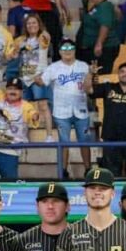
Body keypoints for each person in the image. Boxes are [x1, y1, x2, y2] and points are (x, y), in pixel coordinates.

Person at [36, 39, 92, 170]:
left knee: (84, 141)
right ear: (60, 51)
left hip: (81, 110)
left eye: (70, 48)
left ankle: (88, 170)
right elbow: (41, 82)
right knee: (63, 142)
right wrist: (36, 78)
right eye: (64, 49)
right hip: (61, 112)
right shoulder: (53, 67)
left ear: (75, 49)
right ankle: (63, 171)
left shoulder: (83, 66)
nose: (68, 51)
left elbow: (89, 87)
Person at [0, 76, 42, 180]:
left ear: (21, 92)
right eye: (10, 89)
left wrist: (35, 116)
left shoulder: (26, 106)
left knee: (9, 185)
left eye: (16, 89)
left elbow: (33, 114)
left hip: (9, 153)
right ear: (6, 90)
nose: (13, 91)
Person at [15, 13, 53, 140]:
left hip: (38, 77)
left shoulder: (43, 37)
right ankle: (23, 135)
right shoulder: (21, 40)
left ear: (39, 24)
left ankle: (49, 136)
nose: (31, 25)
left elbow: (47, 37)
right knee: (24, 107)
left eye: (34, 22)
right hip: (24, 78)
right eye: (29, 23)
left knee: (43, 106)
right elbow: (13, 54)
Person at [78, 0, 120, 72]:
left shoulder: (105, 6)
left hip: (105, 48)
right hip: (91, 47)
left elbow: (105, 26)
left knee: (100, 75)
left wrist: (99, 44)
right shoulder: (96, 6)